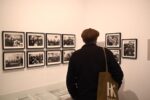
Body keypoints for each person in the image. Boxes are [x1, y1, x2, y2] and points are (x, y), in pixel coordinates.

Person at [66, 28, 124, 100]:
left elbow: (70, 81)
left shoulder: (75, 55)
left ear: (83, 40)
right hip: (104, 96)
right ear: (96, 39)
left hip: (83, 96)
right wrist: (111, 90)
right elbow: (118, 74)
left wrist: (76, 96)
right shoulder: (106, 52)